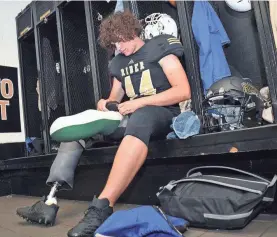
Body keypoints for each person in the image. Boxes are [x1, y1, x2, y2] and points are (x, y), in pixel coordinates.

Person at [16, 10, 191, 237]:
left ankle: (101, 209)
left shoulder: (159, 47)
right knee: (82, 129)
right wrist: (104, 103)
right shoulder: (118, 62)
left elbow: (182, 91)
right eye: (114, 44)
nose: (120, 47)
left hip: (163, 114)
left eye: (122, 40)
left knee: (141, 116)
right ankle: (49, 201)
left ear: (133, 31)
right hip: (135, 116)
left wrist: (139, 104)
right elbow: (114, 98)